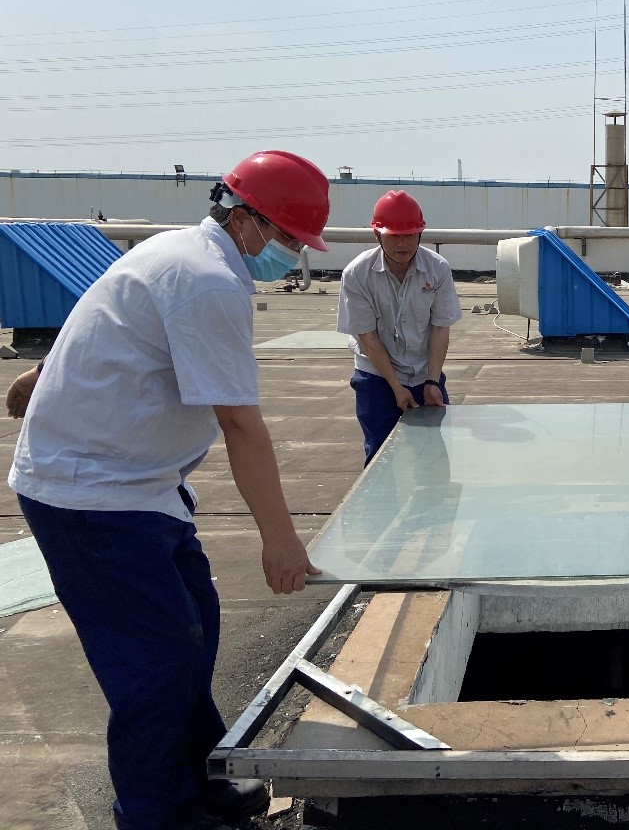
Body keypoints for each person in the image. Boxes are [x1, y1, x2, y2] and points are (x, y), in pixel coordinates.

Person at [6, 150, 332, 830]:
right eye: (287, 237)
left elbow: (109, 318)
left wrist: (40, 376)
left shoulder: (178, 253)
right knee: (152, 667)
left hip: (139, 485)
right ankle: (159, 815)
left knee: (194, 626)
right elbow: (241, 425)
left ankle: (202, 778)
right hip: (91, 496)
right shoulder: (208, 281)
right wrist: (280, 540)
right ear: (244, 218)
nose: (292, 254)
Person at [336, 189, 462, 464]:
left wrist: (432, 380)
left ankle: (434, 493)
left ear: (420, 235)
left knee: (434, 453)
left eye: (410, 235)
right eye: (394, 236)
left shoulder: (437, 269)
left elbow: (440, 327)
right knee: (380, 453)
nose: (403, 243)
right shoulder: (357, 274)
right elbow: (367, 336)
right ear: (377, 234)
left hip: (424, 371)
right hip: (376, 375)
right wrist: (395, 386)